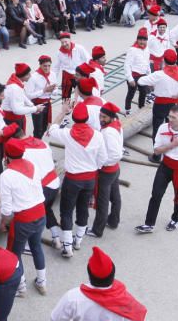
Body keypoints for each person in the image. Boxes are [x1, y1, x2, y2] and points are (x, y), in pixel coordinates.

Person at [46, 103, 104, 258]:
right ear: (87, 118)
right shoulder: (98, 135)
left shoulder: (67, 133)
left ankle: (67, 246)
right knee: (83, 208)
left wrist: (62, 112)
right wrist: (93, 168)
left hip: (72, 179)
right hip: (90, 178)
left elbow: (51, 129)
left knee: (66, 211)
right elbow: (103, 158)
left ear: (73, 118)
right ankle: (78, 240)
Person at [135, 105, 178, 234]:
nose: (170, 119)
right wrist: (173, 144)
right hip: (165, 166)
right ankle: (149, 224)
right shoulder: (163, 128)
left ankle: (176, 219)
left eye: (173, 117)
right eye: (169, 116)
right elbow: (157, 150)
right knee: (156, 194)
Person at [0, 138, 47, 293]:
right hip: (40, 212)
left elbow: (6, 208)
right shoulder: (32, 166)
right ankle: (42, 281)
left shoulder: (7, 175)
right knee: (36, 246)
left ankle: (21, 286)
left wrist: (4, 222)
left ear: (7, 155)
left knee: (15, 253)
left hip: (23, 219)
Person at [137, 49, 178, 152]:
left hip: (160, 104)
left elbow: (141, 81)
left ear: (164, 60)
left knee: (157, 128)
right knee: (173, 127)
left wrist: (152, 81)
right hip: (174, 104)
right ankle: (171, 150)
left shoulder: (159, 74)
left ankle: (157, 154)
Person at [89, 103, 122, 238]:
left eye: (104, 117)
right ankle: (113, 221)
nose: (101, 119)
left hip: (106, 170)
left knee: (102, 201)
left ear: (111, 117)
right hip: (114, 169)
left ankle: (98, 230)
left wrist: (100, 163)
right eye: (100, 116)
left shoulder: (108, 132)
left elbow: (116, 154)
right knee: (115, 197)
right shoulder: (116, 125)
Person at [1, 62, 42, 134]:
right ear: (22, 75)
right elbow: (17, 110)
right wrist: (35, 109)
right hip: (13, 121)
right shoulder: (15, 88)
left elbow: (22, 95)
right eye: (28, 74)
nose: (30, 76)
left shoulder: (15, 81)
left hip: (14, 118)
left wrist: (31, 105)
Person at [25, 55, 57, 138]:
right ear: (40, 65)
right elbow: (29, 95)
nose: (47, 68)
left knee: (44, 127)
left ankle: (39, 143)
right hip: (37, 105)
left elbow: (56, 91)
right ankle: (36, 146)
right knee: (38, 129)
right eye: (45, 66)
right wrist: (43, 91)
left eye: (49, 66)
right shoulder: (34, 77)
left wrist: (52, 91)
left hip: (48, 103)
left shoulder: (53, 74)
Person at [54, 32, 89, 100]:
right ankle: (66, 109)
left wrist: (86, 74)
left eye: (65, 41)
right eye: (62, 42)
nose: (64, 44)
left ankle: (80, 107)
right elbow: (56, 67)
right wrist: (54, 82)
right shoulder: (59, 52)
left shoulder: (79, 48)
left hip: (78, 75)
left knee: (81, 96)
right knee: (65, 97)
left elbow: (87, 59)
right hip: (66, 75)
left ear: (70, 40)